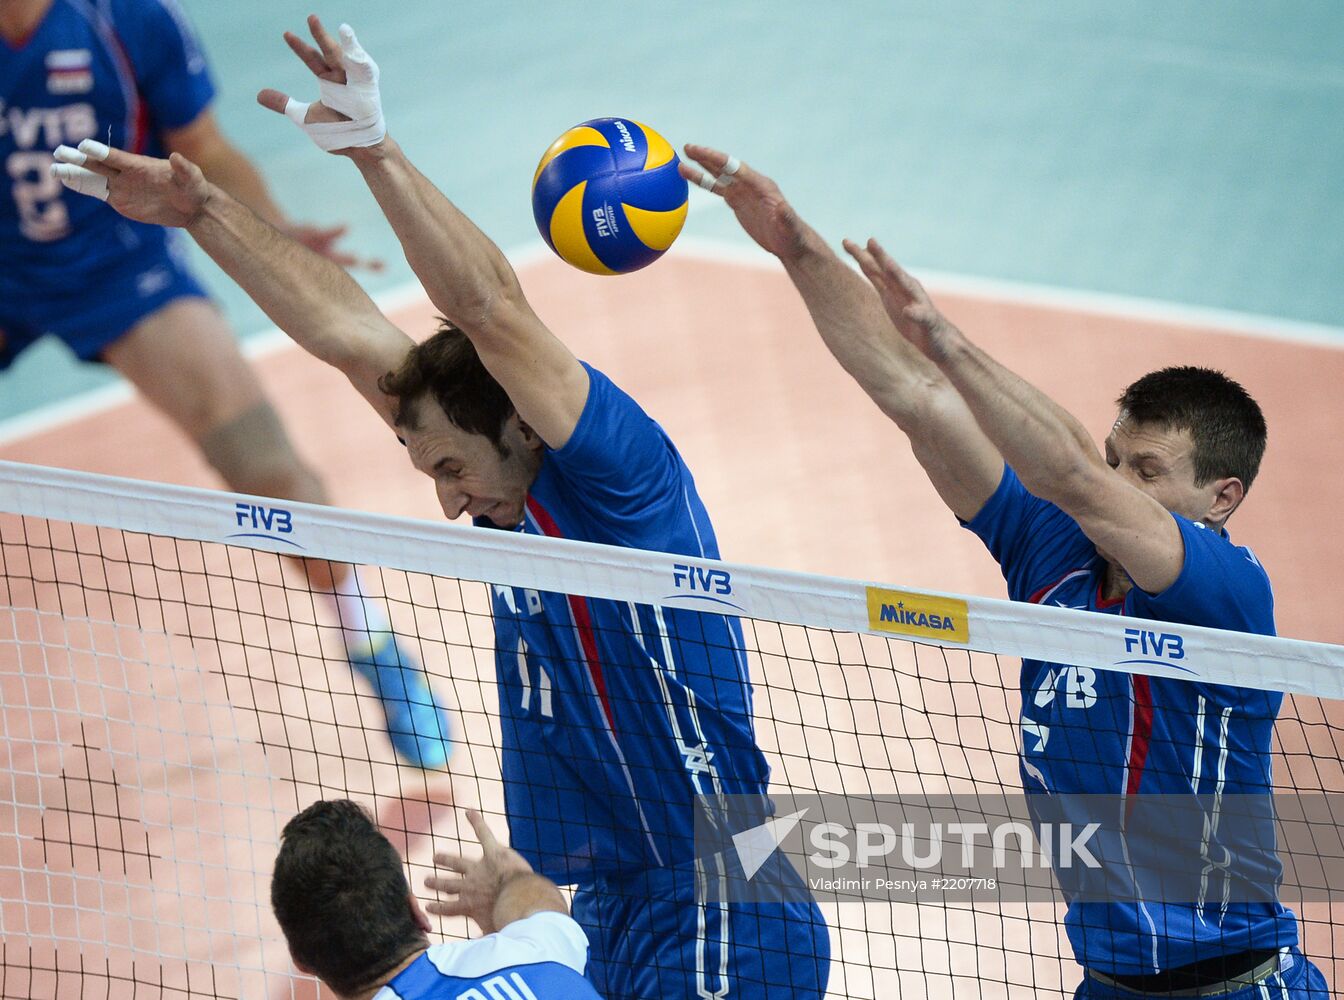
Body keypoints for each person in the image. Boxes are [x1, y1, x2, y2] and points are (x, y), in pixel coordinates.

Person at [51, 19, 830, 1000]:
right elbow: (346, 330)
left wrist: (376, 151)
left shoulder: (621, 483)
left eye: (453, 467)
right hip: (610, 905)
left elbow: (492, 311)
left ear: (520, 425)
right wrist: (203, 212)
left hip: (725, 896)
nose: (450, 503)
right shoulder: (494, 483)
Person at [678, 147, 1331, 997]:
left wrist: (950, 342)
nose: (1120, 484)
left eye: (1147, 472)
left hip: (1240, 986)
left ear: (1221, 497)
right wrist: (794, 246)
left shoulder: (1225, 593)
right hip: (1107, 983)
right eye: (1117, 461)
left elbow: (1072, 475)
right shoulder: (1053, 553)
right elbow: (916, 395)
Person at [0, 0, 452, 769]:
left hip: (120, 269)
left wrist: (279, 232)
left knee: (269, 468)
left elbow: (203, 145)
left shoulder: (129, 18)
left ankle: (371, 641)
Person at [272, 801, 602, 999]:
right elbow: (543, 908)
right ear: (415, 910)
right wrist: (509, 879)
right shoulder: (533, 955)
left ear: (301, 960)